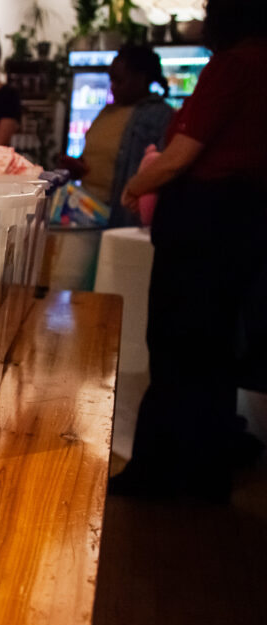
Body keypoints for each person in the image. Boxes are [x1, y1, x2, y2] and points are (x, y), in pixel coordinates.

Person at [111, 0, 267, 501]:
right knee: (211, 349)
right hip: (237, 222)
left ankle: (163, 470)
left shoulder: (236, 63)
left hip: (206, 224)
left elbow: (183, 154)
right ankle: (203, 465)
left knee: (178, 346)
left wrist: (136, 184)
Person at [60, 45, 174, 226]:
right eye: (111, 80)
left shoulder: (160, 115)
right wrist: (79, 167)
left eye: (119, 81)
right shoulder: (107, 111)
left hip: (123, 218)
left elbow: (161, 169)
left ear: (141, 78)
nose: (113, 87)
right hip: (86, 212)